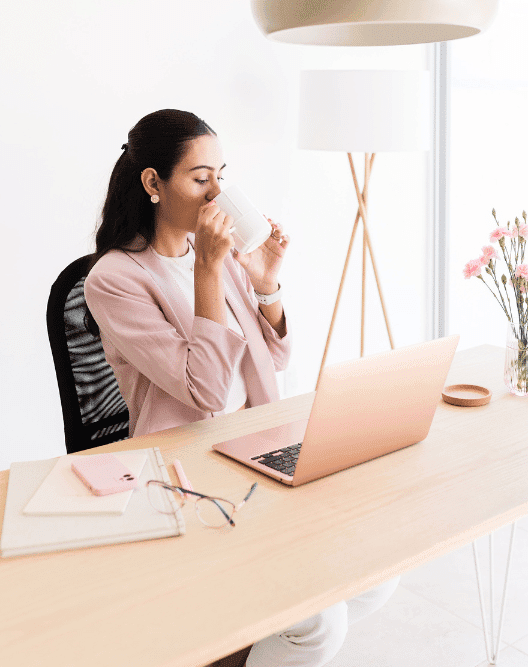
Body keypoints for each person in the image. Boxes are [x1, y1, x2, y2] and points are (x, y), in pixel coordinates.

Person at [84, 108, 399, 667]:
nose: (217, 194)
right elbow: (204, 392)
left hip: (253, 443)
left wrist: (266, 282)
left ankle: (241, 639)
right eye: (200, 178)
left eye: (220, 176)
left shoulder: (222, 258)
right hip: (188, 462)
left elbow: (274, 356)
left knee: (377, 573)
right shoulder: (115, 279)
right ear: (154, 182)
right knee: (321, 621)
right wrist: (207, 267)